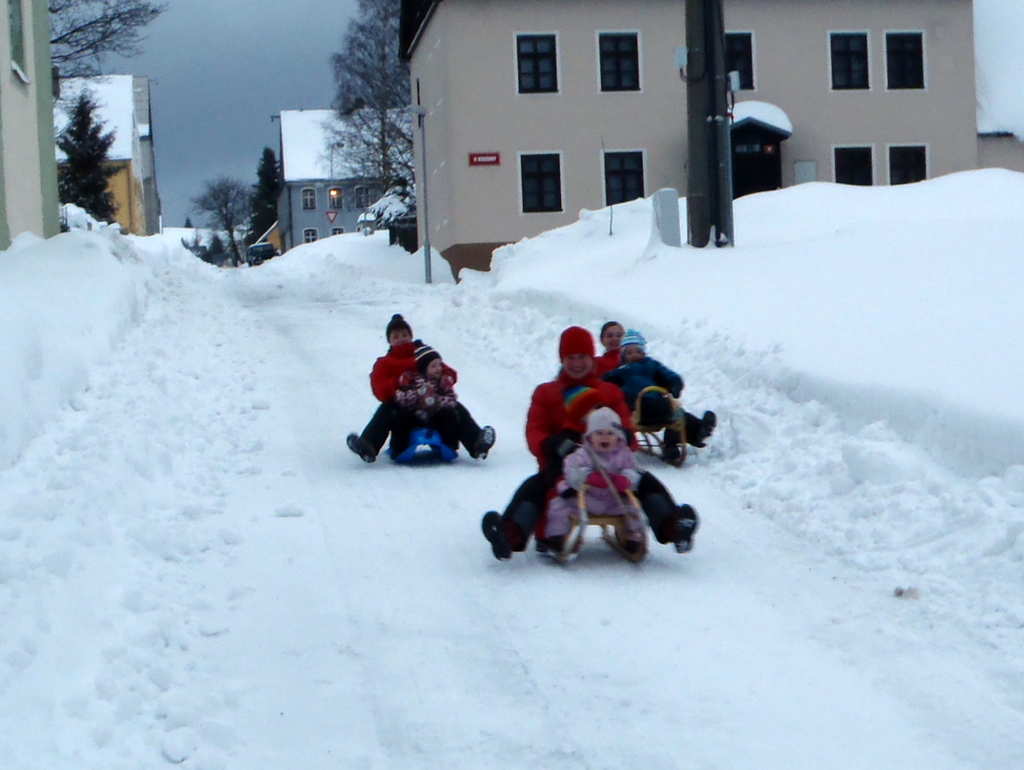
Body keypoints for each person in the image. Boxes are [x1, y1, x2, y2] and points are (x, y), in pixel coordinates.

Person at [480, 325, 698, 559]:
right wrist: (551, 444)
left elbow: (628, 429)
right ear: (562, 360)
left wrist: (622, 437)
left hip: (611, 465)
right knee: (535, 487)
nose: (576, 363)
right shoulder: (547, 393)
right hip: (564, 466)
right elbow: (535, 431)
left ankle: (674, 527)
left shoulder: (609, 391)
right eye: (570, 358)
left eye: (582, 357)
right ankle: (508, 533)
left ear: (590, 357)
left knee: (645, 482)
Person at [347, 314, 495, 462]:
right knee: (387, 408)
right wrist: (400, 383)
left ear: (411, 336)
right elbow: (380, 390)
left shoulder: (423, 356)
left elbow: (449, 372)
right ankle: (368, 445)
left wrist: (440, 378)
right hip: (406, 412)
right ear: (390, 341)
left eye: (405, 335)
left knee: (455, 408)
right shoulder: (385, 363)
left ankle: (477, 443)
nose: (401, 339)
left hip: (434, 408)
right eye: (396, 336)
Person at [602, 329, 716, 464]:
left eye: (638, 351)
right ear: (624, 355)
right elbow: (606, 382)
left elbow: (668, 374)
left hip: (658, 403)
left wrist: (675, 384)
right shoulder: (621, 371)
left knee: (677, 414)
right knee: (671, 412)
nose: (634, 355)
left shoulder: (651, 364)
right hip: (638, 410)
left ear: (643, 352)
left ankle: (695, 433)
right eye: (630, 352)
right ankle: (675, 442)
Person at [545, 407, 645, 554]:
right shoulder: (583, 453)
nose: (605, 437)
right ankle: (557, 538)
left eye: (610, 433)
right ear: (590, 436)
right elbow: (571, 471)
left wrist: (626, 479)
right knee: (558, 506)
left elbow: (635, 471)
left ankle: (632, 537)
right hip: (585, 500)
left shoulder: (624, 454)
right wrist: (588, 476)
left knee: (634, 509)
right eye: (599, 433)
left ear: (618, 436)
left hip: (614, 501)